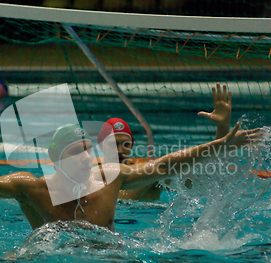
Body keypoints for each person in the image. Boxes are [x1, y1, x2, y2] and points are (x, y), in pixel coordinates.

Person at [0, 118, 260, 232]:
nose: (87, 159)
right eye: (77, 152)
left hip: (111, 260)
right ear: (55, 160)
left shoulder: (111, 177)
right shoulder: (29, 187)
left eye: (88, 150)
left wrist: (222, 144)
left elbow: (168, 165)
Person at [98, 83, 233, 200]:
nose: (121, 150)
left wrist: (222, 128)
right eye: (114, 144)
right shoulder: (90, 177)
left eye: (126, 144)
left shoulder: (149, 175)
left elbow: (208, 181)